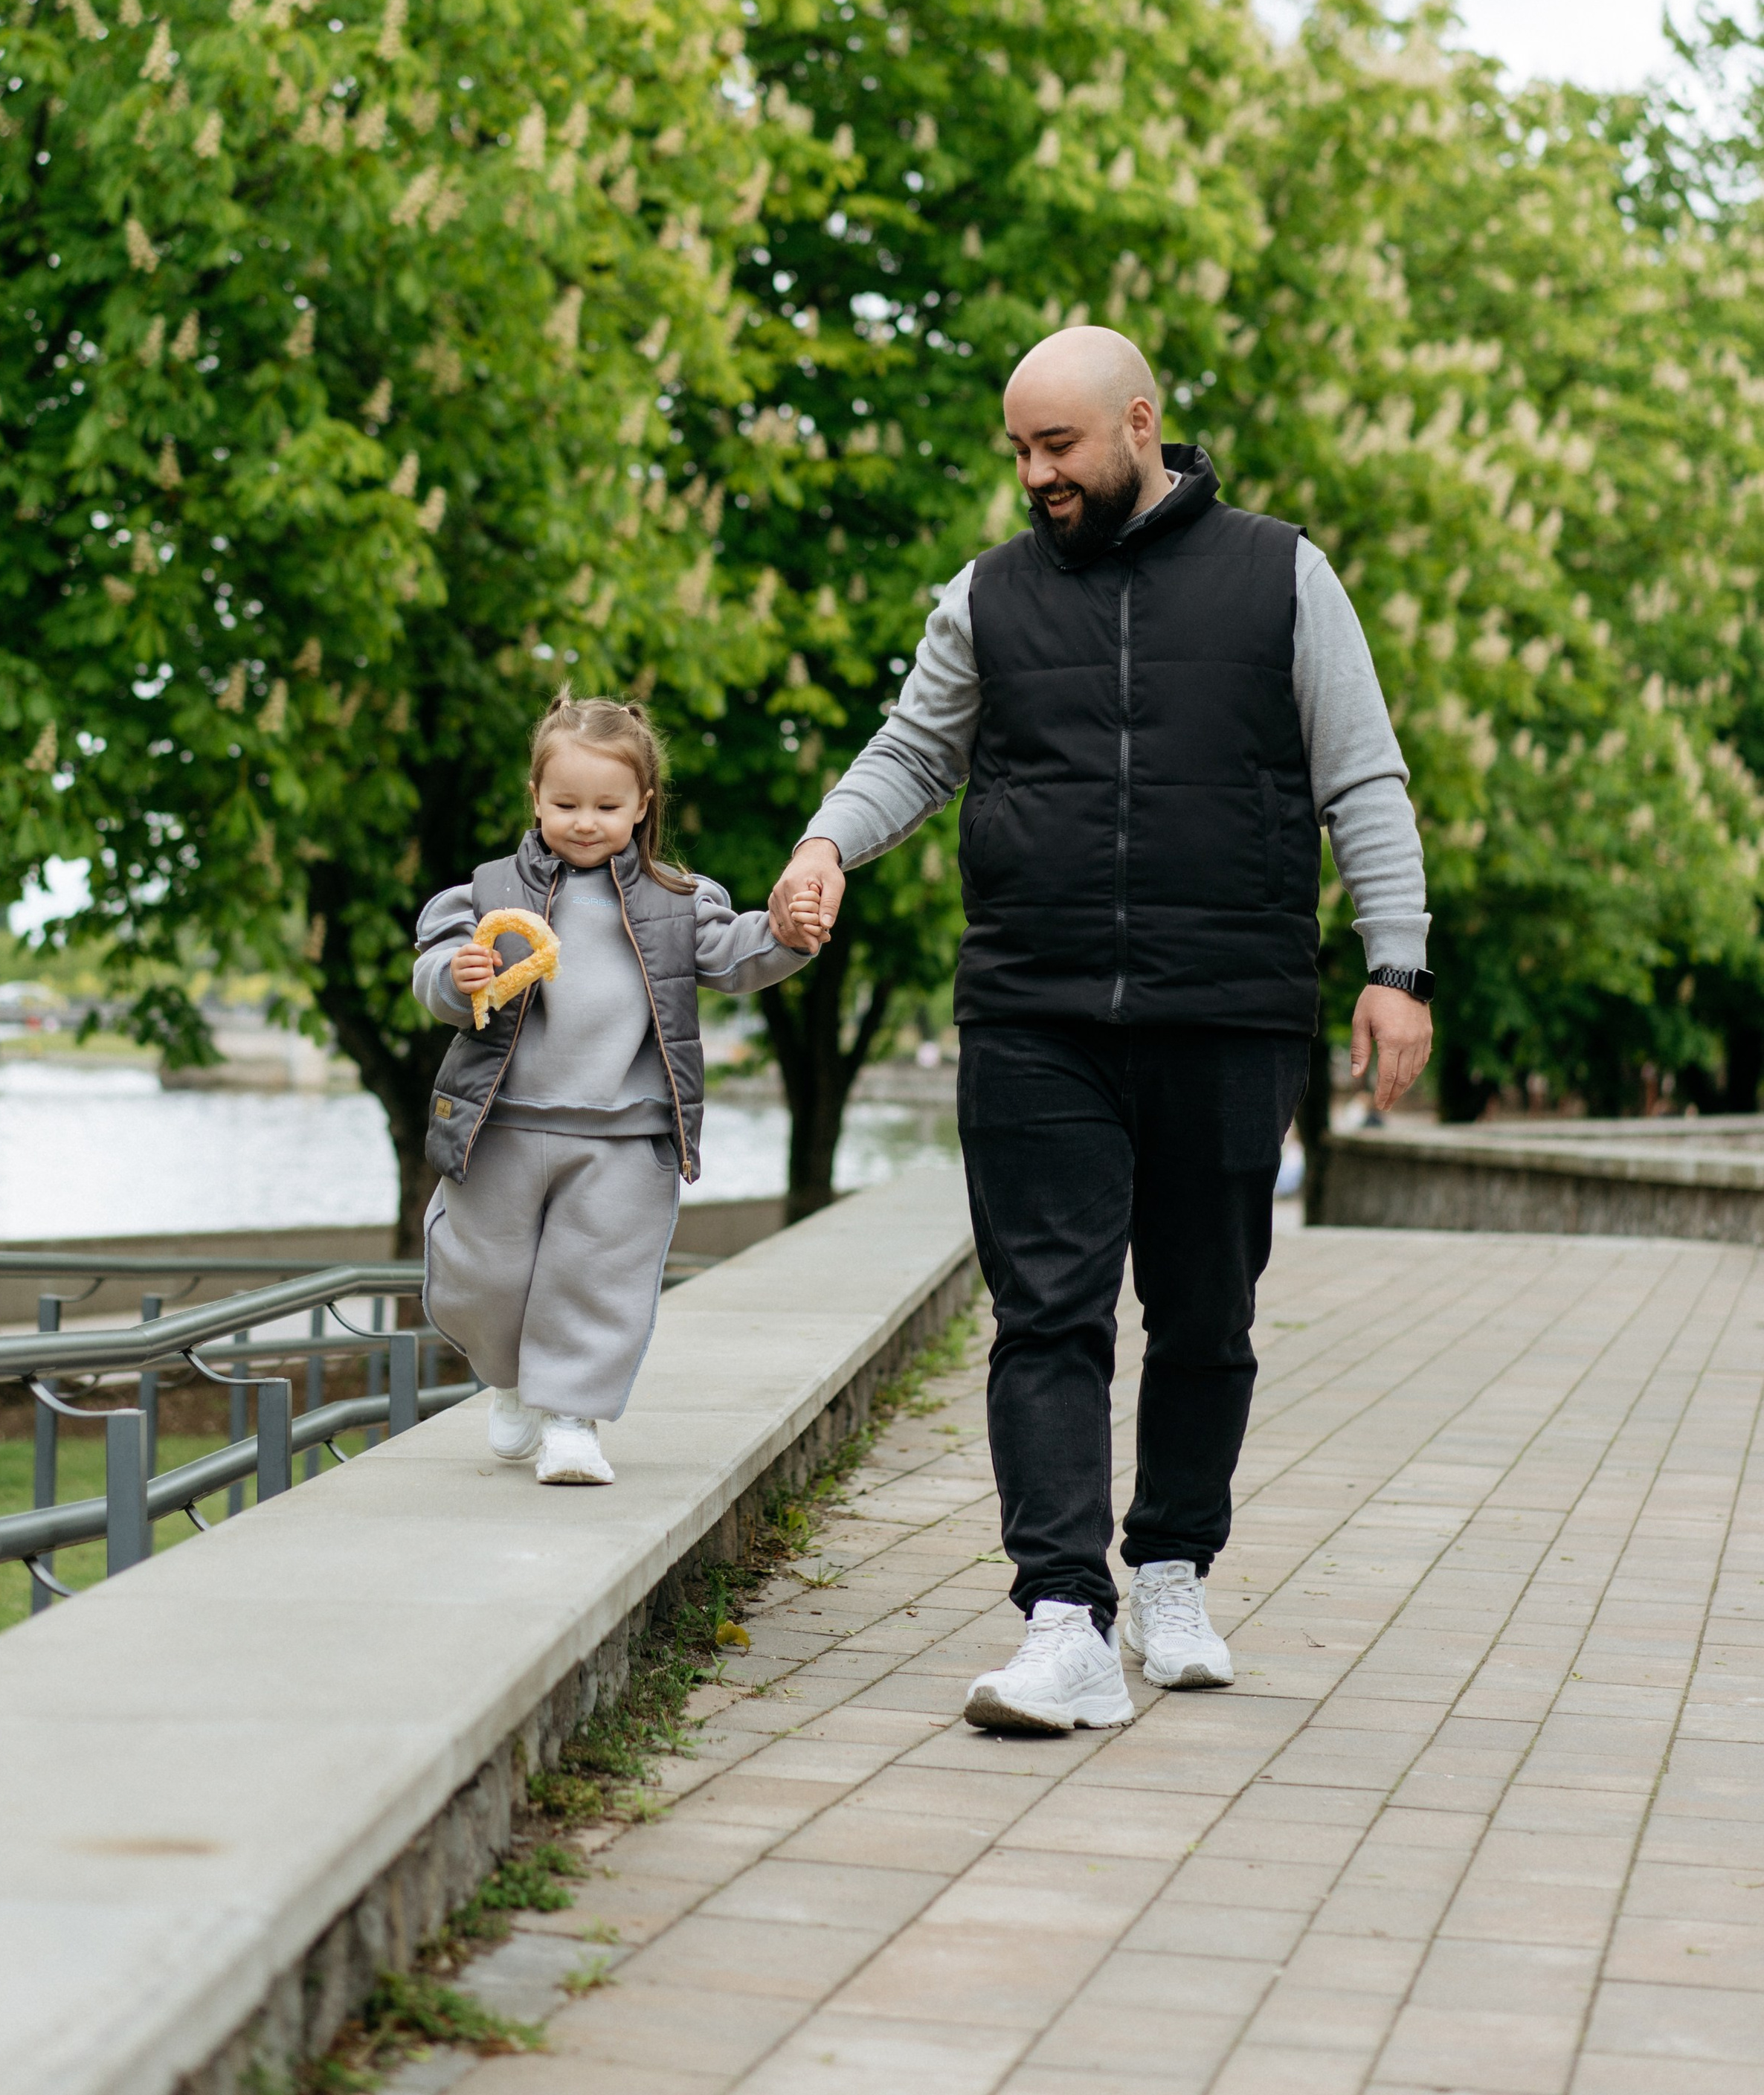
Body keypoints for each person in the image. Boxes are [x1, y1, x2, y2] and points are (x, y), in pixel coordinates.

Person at [769, 328, 1432, 1734]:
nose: (1034, 475)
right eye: (1017, 451)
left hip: (1233, 1007)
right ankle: (1061, 1620)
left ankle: (1174, 1566)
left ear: (1138, 425)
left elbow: (1360, 772)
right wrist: (831, 841)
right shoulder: (989, 597)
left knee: (1205, 1313)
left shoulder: (1280, 575)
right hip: (1034, 1010)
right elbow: (913, 750)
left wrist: (1399, 964)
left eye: (1057, 447)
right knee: (1048, 1315)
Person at [414, 692, 811, 1486]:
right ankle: (512, 1378)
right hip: (505, 1125)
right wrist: (458, 980)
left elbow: (736, 958)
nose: (585, 821)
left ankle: (571, 1420)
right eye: (565, 803)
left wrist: (786, 935)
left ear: (642, 805)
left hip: (626, 1134)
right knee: (483, 1279)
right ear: (535, 798)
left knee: (596, 1278)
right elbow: (435, 973)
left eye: (607, 804)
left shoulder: (676, 900)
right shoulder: (488, 896)